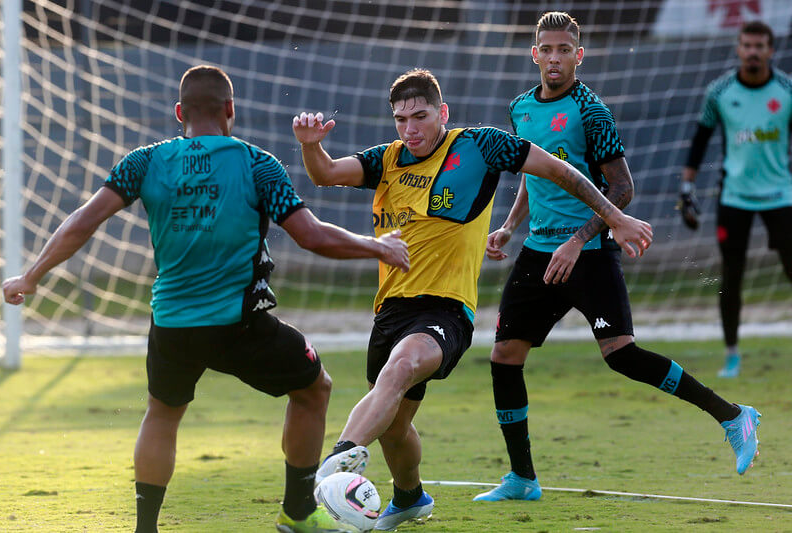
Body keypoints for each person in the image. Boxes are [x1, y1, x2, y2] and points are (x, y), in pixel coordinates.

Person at [2, 65, 410, 533]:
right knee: (314, 388)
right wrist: (377, 246)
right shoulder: (257, 163)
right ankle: (297, 513)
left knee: (162, 413)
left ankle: (145, 528)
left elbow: (84, 220)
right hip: (239, 325)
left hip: (172, 322)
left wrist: (31, 275)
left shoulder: (144, 162)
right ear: (230, 109)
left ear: (180, 112)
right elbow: (312, 236)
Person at [292, 68, 653, 529]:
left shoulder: (480, 145)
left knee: (401, 369)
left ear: (442, 112)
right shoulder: (387, 159)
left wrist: (614, 216)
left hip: (445, 309)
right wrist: (310, 145)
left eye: (420, 117)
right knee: (394, 427)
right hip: (390, 310)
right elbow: (324, 173)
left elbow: (559, 170)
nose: (410, 129)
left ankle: (333, 467)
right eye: (401, 120)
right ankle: (410, 498)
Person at [474, 12, 762, 504]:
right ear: (534, 54)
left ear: (579, 56)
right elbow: (534, 173)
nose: (555, 58)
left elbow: (623, 188)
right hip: (537, 253)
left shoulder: (592, 112)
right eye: (547, 49)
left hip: (588, 252)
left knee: (621, 355)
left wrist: (577, 239)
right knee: (504, 356)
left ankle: (733, 416)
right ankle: (522, 478)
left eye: (565, 50)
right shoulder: (520, 107)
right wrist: (509, 226)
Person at [680, 20, 792, 378]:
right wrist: (687, 188)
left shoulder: (787, 90)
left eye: (760, 46)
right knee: (732, 276)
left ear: (770, 50)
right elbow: (700, 140)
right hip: (735, 197)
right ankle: (731, 355)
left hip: (781, 195)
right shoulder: (719, 92)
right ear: (738, 49)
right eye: (747, 45)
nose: (753, 52)